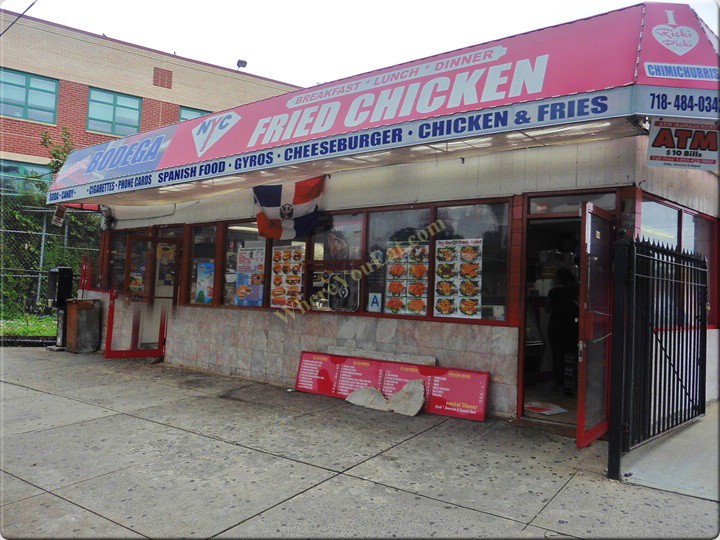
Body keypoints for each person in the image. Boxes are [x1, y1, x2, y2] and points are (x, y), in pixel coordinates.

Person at [546, 267, 579, 395]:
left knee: (557, 355)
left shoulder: (553, 292)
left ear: (558, 278)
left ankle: (559, 382)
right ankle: (570, 383)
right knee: (571, 356)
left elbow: (547, 309)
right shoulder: (574, 291)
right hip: (572, 326)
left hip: (555, 326)